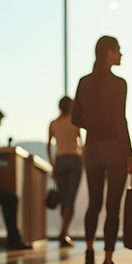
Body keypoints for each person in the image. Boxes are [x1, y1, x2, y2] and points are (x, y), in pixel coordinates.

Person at [72, 36, 132, 264]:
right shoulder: (119, 84)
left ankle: (89, 252)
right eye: (118, 50)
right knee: (112, 208)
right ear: (108, 53)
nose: (120, 55)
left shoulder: (84, 82)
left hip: (93, 148)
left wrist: (94, 125)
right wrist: (128, 154)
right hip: (113, 149)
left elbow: (76, 118)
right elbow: (120, 120)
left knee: (94, 204)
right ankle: (108, 262)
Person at [48, 96, 84, 247]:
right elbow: (80, 144)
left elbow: (49, 145)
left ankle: (63, 233)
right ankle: (64, 232)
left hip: (61, 160)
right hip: (74, 160)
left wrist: (53, 165)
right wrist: (83, 161)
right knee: (70, 198)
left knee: (64, 198)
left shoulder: (54, 124)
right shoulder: (75, 122)